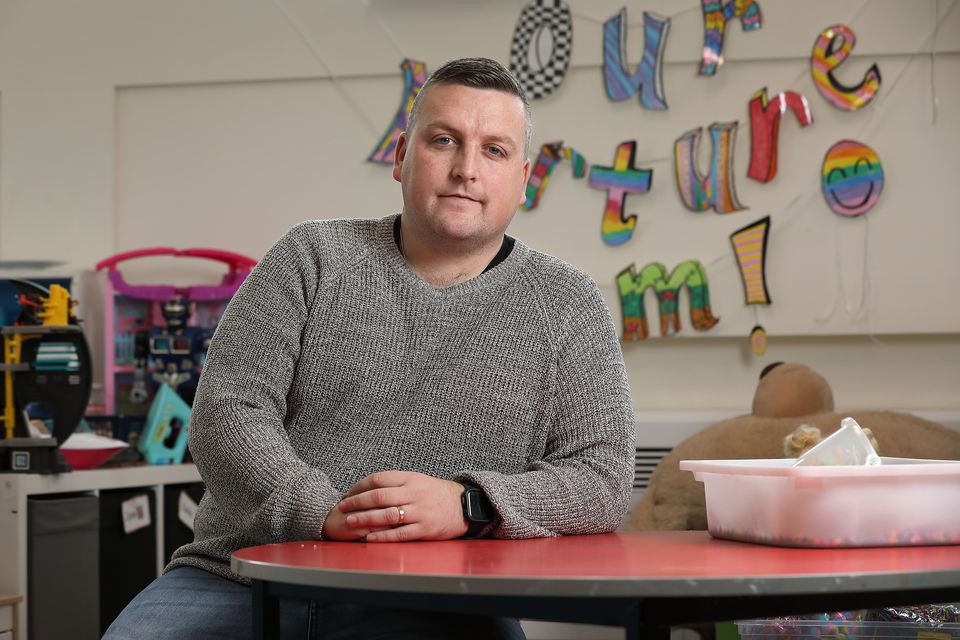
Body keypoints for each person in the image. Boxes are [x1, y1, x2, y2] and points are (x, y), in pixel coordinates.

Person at [104, 57, 635, 640]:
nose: (466, 170)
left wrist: (467, 505)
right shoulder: (311, 257)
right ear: (402, 155)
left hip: (444, 601)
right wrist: (325, 515)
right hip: (242, 576)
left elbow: (601, 480)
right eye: (444, 141)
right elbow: (226, 414)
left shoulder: (568, 303)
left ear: (524, 178)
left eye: (494, 151)